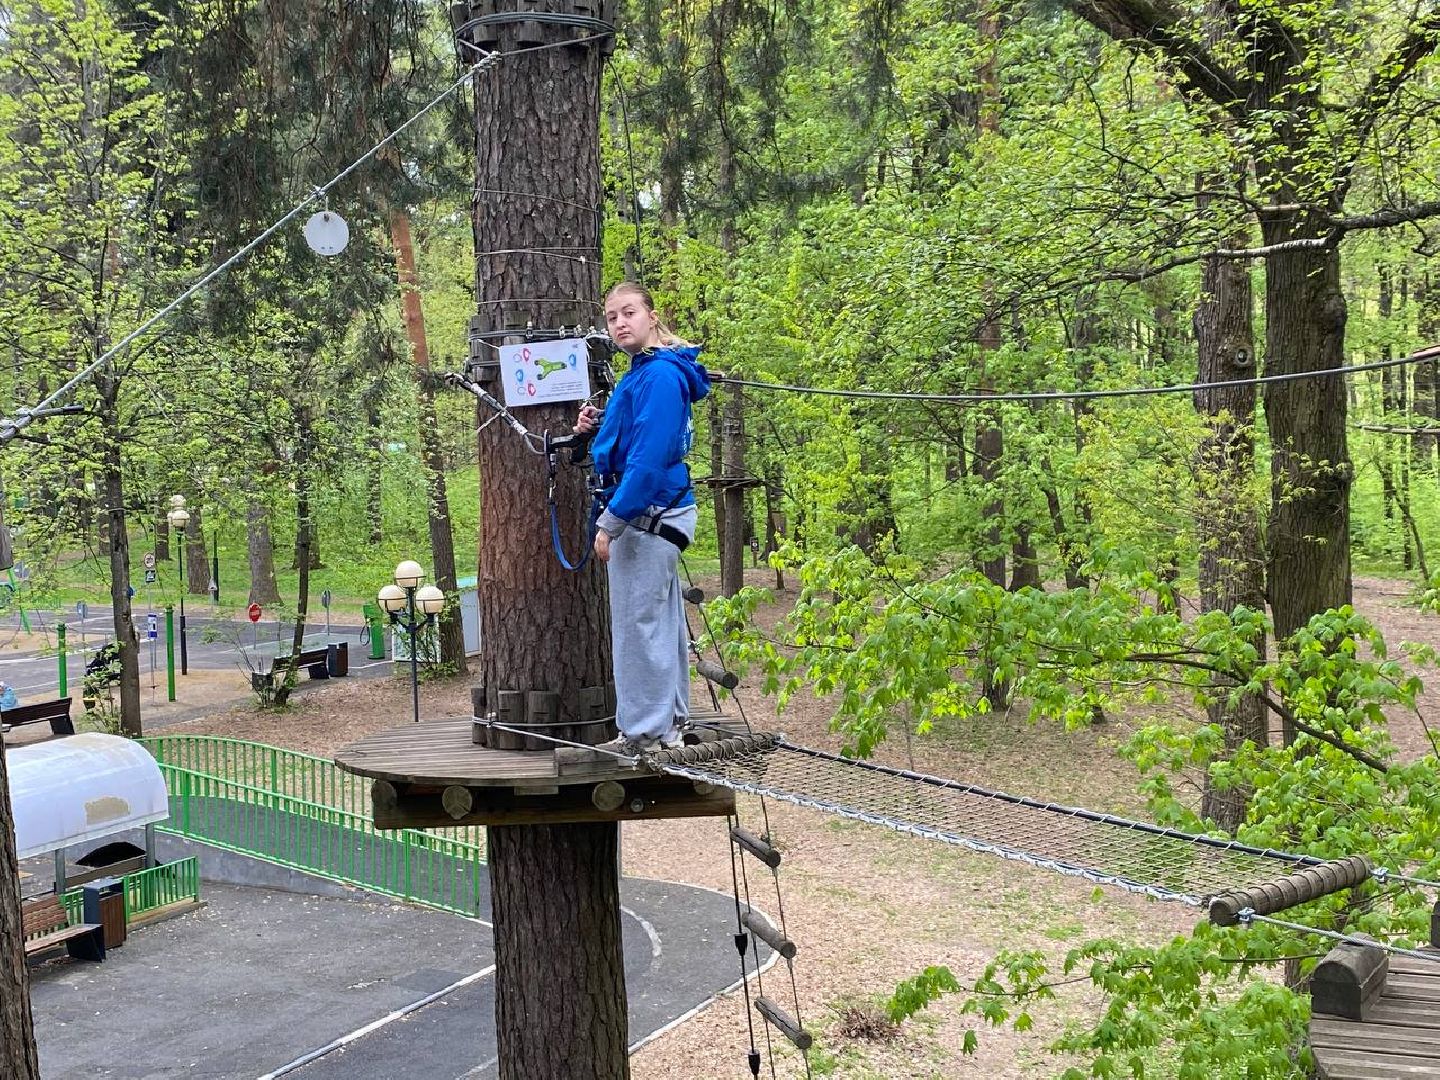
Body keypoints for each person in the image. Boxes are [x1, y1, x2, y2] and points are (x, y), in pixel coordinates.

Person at [576, 282, 711, 756]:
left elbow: (649, 460)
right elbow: (637, 437)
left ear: (652, 316)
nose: (619, 323)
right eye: (612, 317)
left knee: (638, 628)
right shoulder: (646, 372)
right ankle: (667, 723)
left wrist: (611, 520)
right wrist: (599, 426)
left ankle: (645, 733)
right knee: (659, 623)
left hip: (647, 514)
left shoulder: (658, 377)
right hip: (657, 512)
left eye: (628, 312)